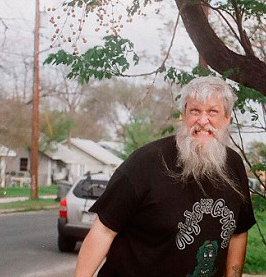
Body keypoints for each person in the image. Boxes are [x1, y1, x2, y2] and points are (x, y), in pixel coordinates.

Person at [74, 76, 256, 277]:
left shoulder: (234, 166)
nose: (203, 121)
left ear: (227, 118)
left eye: (213, 111)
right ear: (183, 116)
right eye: (195, 111)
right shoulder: (144, 163)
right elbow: (103, 231)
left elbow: (238, 233)